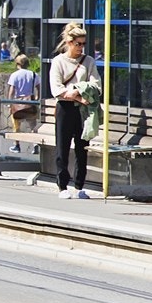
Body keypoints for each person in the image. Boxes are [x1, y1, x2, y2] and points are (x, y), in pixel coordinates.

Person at [48, 24, 100, 200]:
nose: (81, 48)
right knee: (62, 147)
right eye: (78, 44)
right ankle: (62, 186)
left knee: (82, 147)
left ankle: (79, 186)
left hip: (83, 110)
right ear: (69, 43)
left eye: (83, 44)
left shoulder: (89, 61)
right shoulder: (58, 61)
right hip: (65, 108)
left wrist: (77, 90)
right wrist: (78, 97)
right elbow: (57, 89)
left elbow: (96, 85)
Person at [5, 54, 41, 153]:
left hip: (17, 102)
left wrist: (9, 103)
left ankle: (17, 145)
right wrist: (37, 98)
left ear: (17, 64)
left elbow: (12, 90)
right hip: (30, 102)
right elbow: (38, 87)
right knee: (33, 125)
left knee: (16, 126)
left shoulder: (14, 75)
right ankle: (35, 144)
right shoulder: (33, 74)